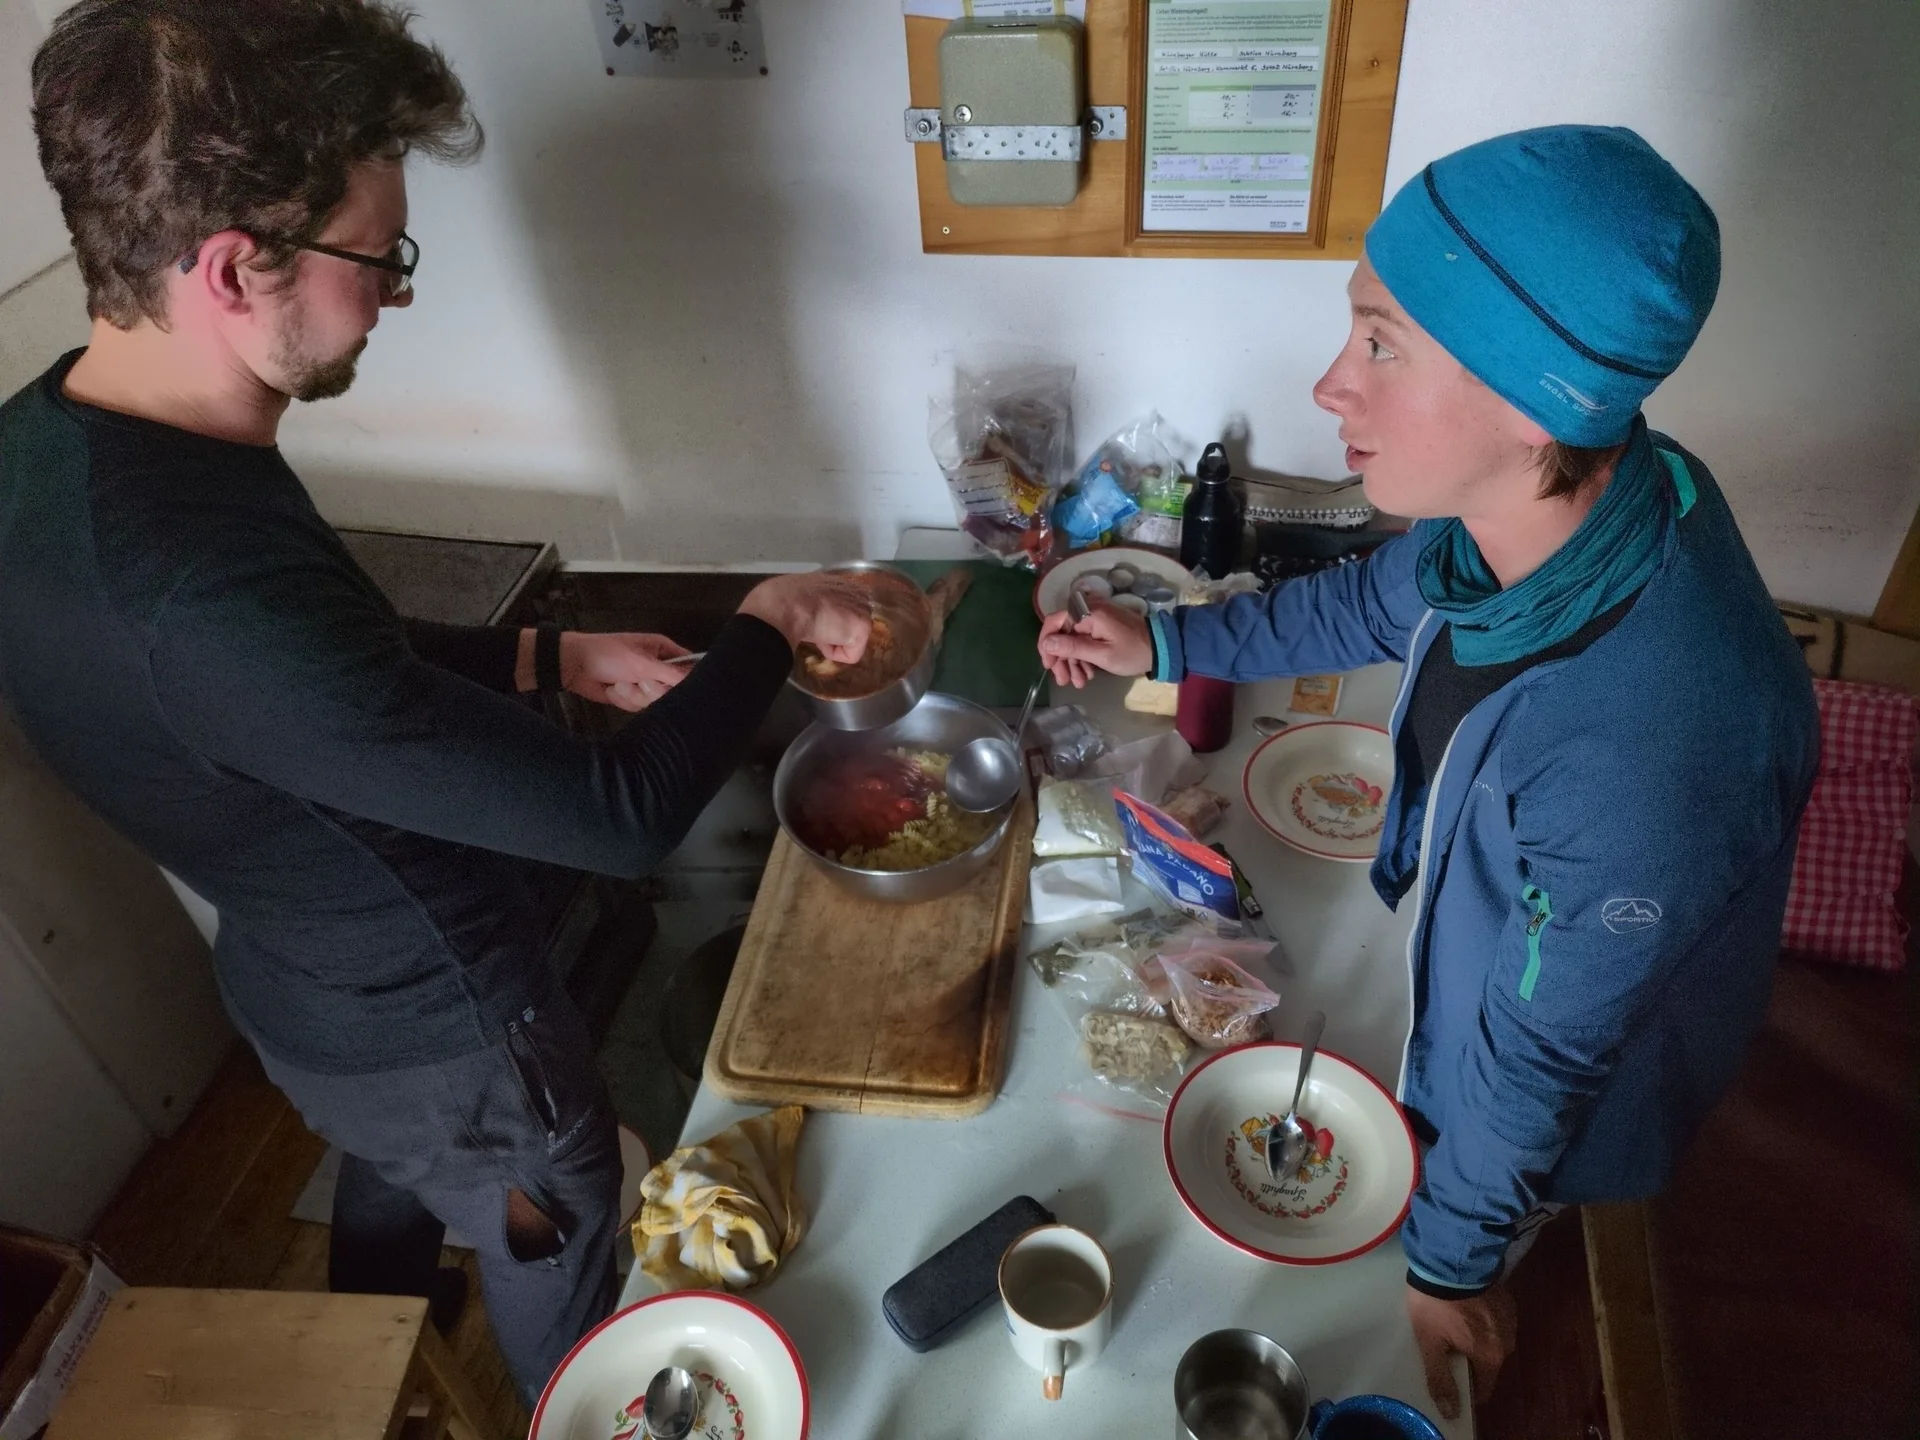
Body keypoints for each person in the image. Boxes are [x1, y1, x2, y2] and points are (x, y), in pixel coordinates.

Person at [1, 0, 868, 1407]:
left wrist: (544, 659)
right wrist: (773, 616)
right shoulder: (200, 592)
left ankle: (389, 1342)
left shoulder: (52, 447)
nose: (395, 295)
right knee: (564, 1252)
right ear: (233, 267)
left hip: (298, 991)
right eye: (377, 255)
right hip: (454, 1039)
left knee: (396, 1175)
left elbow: (324, 668)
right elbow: (619, 815)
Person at [1038, 126, 1818, 1418]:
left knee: (1400, 1286)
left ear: (1536, 401)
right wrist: (1170, 639)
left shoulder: (1656, 749)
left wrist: (1455, 1264)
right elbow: (1375, 598)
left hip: (1559, 1087)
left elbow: (1542, 1060)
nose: (1329, 384)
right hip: (1494, 970)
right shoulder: (1580, 494)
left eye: (1382, 345)